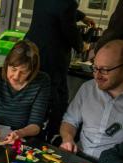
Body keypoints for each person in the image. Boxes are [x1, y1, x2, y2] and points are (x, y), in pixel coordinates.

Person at [25, 0, 96, 139]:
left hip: (33, 48)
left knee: (33, 86)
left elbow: (55, 9)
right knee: (58, 94)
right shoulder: (68, 4)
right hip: (53, 56)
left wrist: (82, 16)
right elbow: (70, 30)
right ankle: (52, 133)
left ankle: (31, 125)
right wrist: (82, 46)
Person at [0, 40, 50, 143]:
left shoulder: (41, 82)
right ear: (7, 63)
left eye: (23, 72)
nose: (16, 76)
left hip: (23, 138)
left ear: (32, 71)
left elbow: (35, 125)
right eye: (13, 69)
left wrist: (19, 133)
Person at [59, 39, 123, 160]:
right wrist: (68, 139)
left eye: (104, 70)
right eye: (95, 68)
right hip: (79, 157)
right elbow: (70, 120)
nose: (97, 76)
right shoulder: (88, 88)